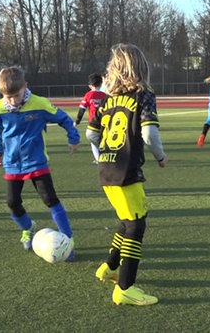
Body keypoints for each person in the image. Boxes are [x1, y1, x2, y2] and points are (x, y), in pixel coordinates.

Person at [86, 43, 167, 306]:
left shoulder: (107, 101)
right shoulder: (143, 95)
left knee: (128, 218)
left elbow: (90, 134)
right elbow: (148, 133)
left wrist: (103, 155)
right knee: (136, 225)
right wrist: (161, 156)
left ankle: (109, 267)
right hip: (126, 172)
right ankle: (125, 287)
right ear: (141, 68)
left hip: (106, 169)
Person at [0, 67, 80, 259]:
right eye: (8, 97)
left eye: (16, 95)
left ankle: (68, 240)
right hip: (12, 163)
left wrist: (73, 137)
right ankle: (28, 227)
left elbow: (64, 118)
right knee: (12, 202)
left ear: (25, 86)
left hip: (36, 161)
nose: (13, 101)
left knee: (50, 199)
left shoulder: (39, 104)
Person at [74, 73, 108, 164]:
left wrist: (77, 121)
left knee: (93, 141)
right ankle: (106, 157)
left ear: (90, 85)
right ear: (101, 84)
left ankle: (99, 160)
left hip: (93, 123)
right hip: (105, 122)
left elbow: (82, 109)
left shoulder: (88, 95)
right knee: (104, 140)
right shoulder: (105, 96)